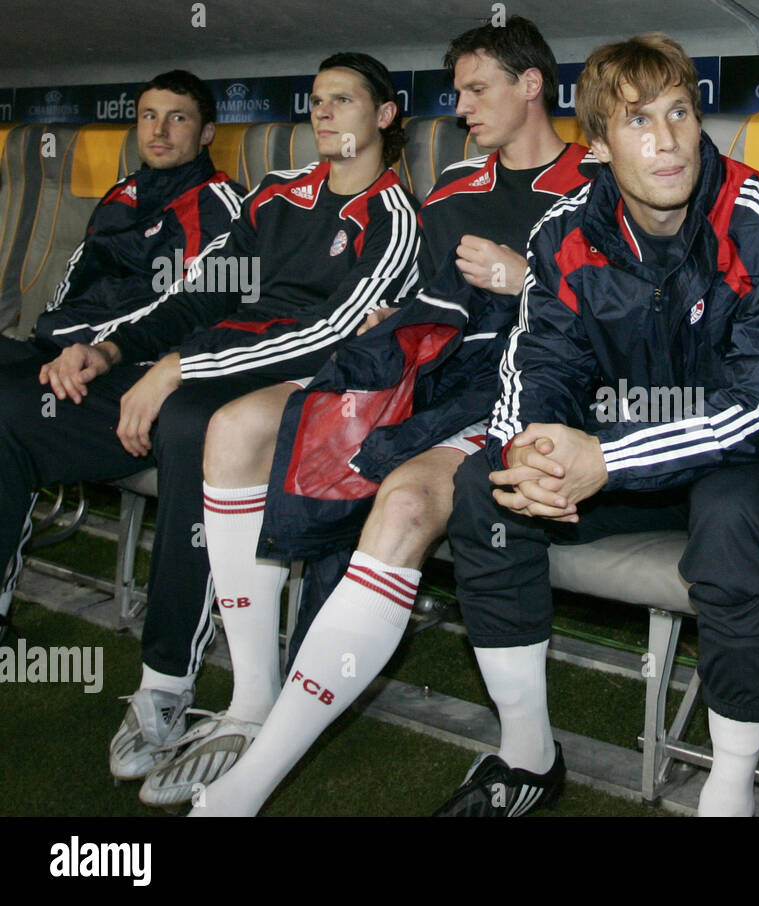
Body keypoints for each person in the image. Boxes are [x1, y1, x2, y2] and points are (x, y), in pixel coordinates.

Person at [177, 17, 598, 815]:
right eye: (460, 90)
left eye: (479, 89)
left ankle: (244, 788)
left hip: (542, 395)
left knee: (404, 497)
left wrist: (527, 279)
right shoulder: (451, 193)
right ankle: (253, 699)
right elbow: (421, 298)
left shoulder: (596, 185)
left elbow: (625, 319)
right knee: (251, 426)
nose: (463, 105)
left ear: (532, 85)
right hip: (439, 376)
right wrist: (396, 321)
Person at [436, 33, 759, 818]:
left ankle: (729, 778)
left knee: (730, 517)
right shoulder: (565, 232)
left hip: (757, 455)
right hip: (627, 451)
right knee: (485, 490)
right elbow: (538, 362)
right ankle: (527, 756)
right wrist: (533, 447)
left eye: (679, 114)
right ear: (597, 144)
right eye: (636, 123)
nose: (665, 142)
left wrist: (608, 461)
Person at [0, 51, 420, 788]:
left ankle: (165, 683)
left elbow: (334, 330)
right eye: (317, 100)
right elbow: (201, 292)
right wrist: (114, 349)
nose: (323, 112)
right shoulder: (278, 194)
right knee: (12, 413)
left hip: (284, 390)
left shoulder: (393, 216)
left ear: (384, 116)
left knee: (193, 424)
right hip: (196, 367)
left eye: (344, 100)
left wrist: (180, 370)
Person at [0, 70, 243, 646]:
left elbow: (184, 310)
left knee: (8, 410)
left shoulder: (222, 205)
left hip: (129, 371)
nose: (158, 130)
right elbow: (73, 284)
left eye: (178, 117)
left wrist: (89, 349)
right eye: (148, 116)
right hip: (62, 349)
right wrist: (54, 338)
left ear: (207, 131)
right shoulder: (122, 194)